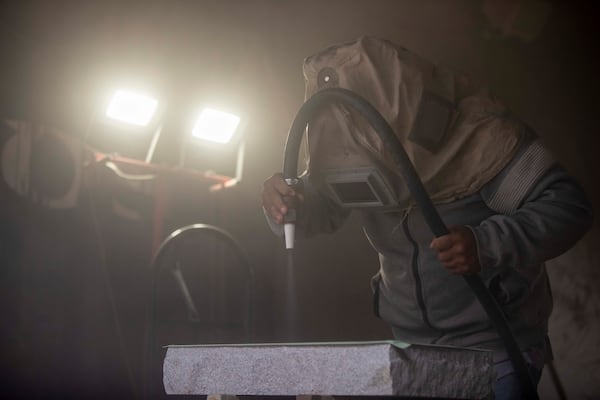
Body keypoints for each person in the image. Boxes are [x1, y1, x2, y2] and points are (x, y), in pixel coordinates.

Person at [262, 36, 593, 399]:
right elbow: (322, 208)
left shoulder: (480, 139)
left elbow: (567, 206)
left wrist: (485, 243)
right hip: (412, 349)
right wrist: (288, 207)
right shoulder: (352, 149)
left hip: (496, 348)